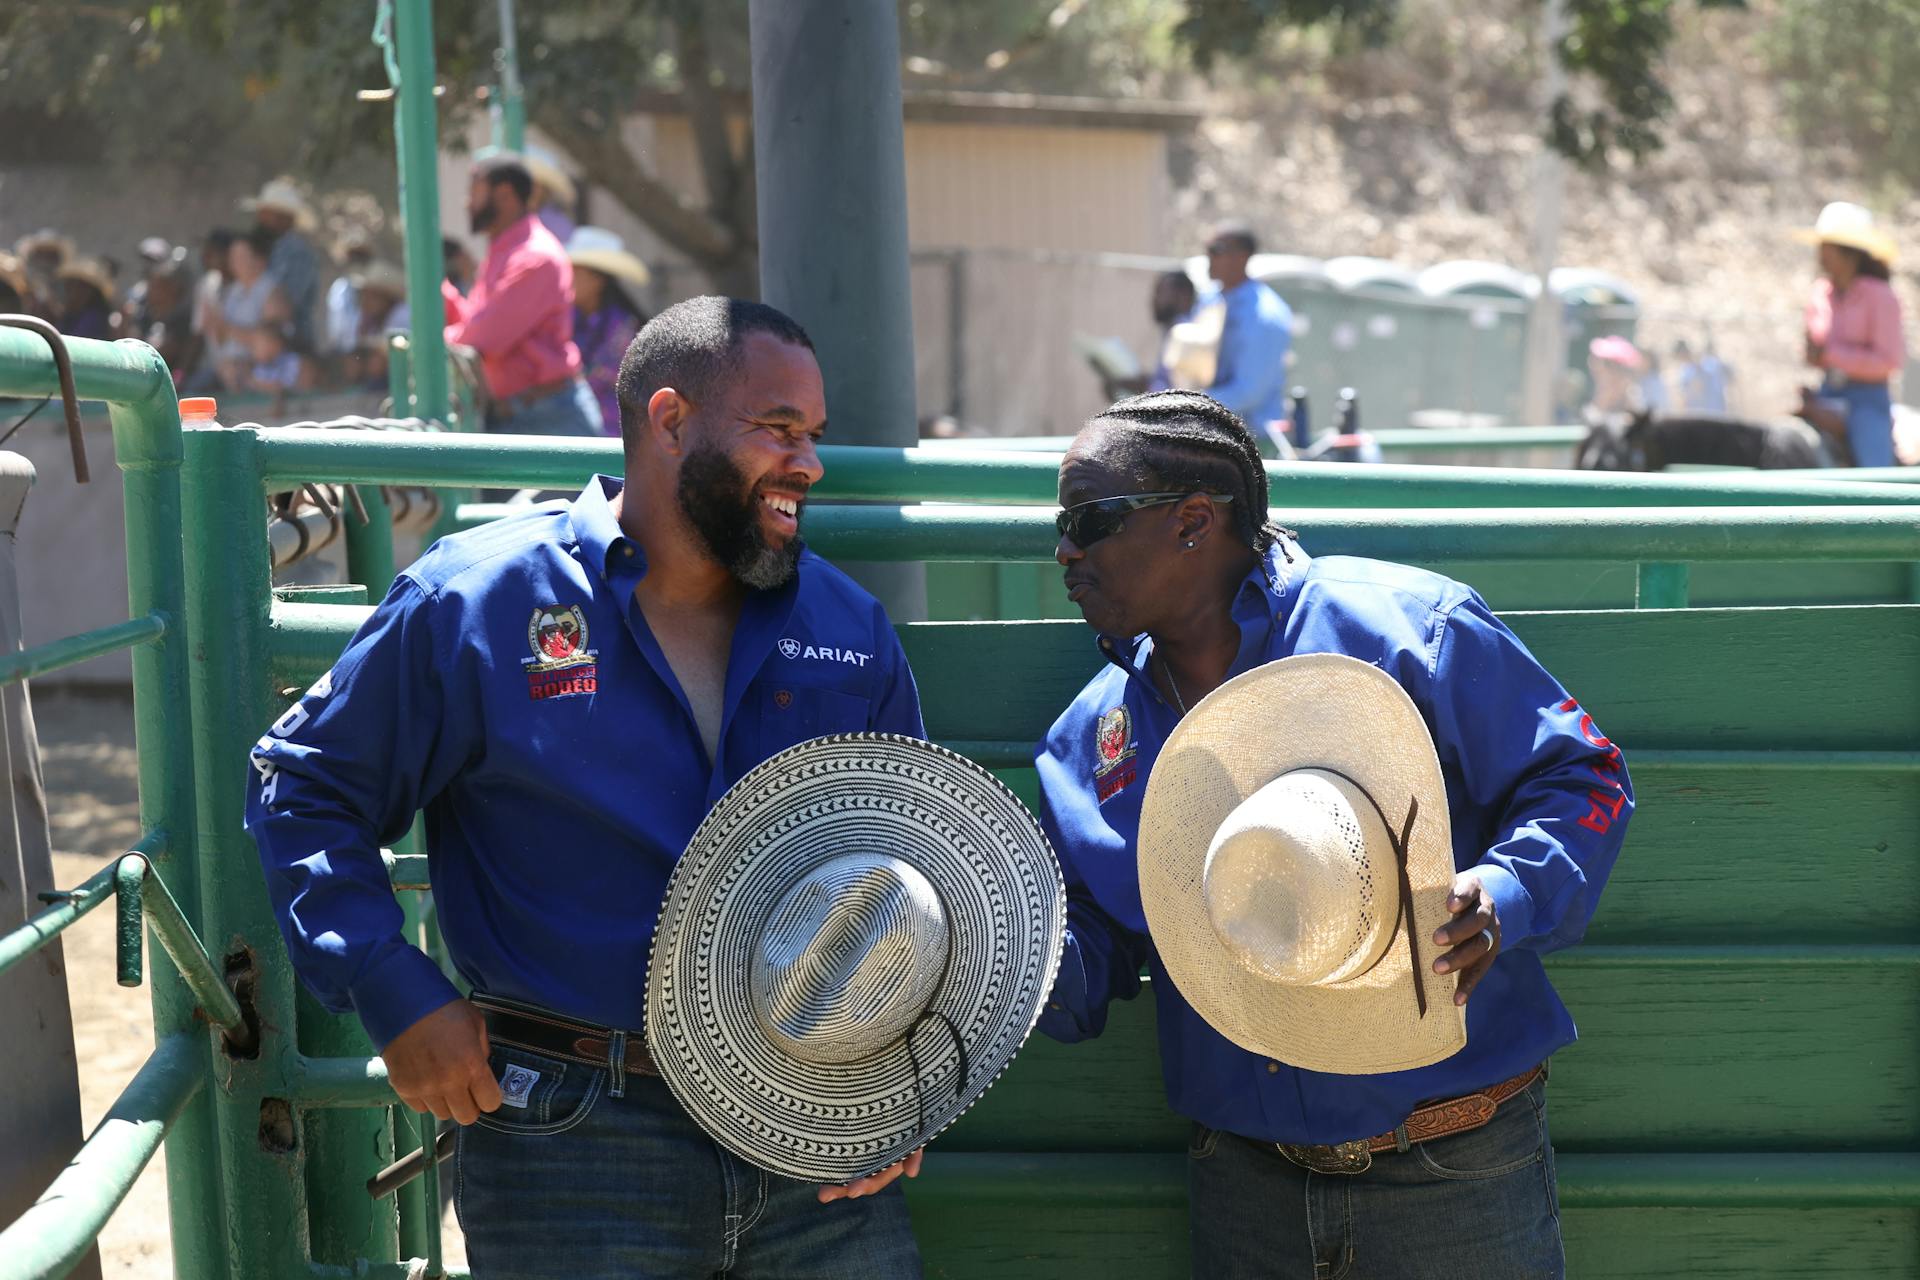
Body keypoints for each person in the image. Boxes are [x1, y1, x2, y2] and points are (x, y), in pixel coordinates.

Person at [245, 295, 927, 1278]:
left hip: (813, 1143)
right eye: (779, 430)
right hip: (573, 1131)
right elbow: (304, 784)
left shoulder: (847, 623)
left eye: (813, 436)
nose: (809, 463)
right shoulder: (475, 602)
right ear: (670, 418)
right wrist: (392, 987)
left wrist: (900, 1068)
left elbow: (911, 861)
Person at [1035, 389, 1631, 1278]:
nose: (1066, 549)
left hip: (1455, 1166)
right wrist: (986, 959)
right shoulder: (1091, 740)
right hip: (1244, 1186)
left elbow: (1584, 776)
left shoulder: (1405, 629)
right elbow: (1096, 944)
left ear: (1195, 521)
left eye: (1091, 517)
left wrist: (1506, 893)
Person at [445, 153, 601, 436]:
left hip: (549, 419)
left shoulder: (533, 258)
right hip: (529, 413)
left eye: (475, 191)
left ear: (505, 195)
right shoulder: (506, 252)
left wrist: (434, 342)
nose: (467, 202)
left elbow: (484, 338)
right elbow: (476, 324)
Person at [1796, 202, 1906, 468]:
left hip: (1867, 399)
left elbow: (1889, 360)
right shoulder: (1821, 291)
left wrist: (1831, 355)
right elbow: (1813, 351)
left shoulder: (1880, 296)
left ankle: (1884, 505)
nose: (1821, 254)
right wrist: (1813, 354)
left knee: (1875, 464)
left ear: (1850, 254)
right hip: (1827, 390)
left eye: (1828, 246)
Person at [1199, 222, 1293, 451]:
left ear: (1242, 256)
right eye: (1207, 249)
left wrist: (1190, 403)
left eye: (1216, 250)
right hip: (1211, 433)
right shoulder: (1210, 300)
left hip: (1253, 445)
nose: (1209, 257)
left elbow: (1249, 392)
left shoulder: (1265, 315)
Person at [566, 226, 651, 437]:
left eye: (575, 272)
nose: (567, 278)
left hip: (613, 433)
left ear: (598, 281)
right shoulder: (571, 316)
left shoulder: (622, 328)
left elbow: (595, 377)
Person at [244, 179, 323, 352]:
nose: (262, 218)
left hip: (290, 344)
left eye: (270, 214)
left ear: (288, 219)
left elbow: (288, 303)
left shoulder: (298, 253)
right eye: (262, 213)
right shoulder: (264, 247)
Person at [208, 230, 291, 392]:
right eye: (233, 258)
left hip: (264, 373)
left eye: (242, 257)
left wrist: (228, 329)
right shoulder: (231, 292)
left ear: (259, 260)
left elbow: (268, 346)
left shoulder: (272, 292)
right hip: (228, 371)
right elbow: (219, 337)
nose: (235, 263)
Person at [55, 257, 118, 341]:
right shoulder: (68, 314)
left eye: (81, 287)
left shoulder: (94, 318)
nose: (74, 290)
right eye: (71, 285)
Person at [1673, 339, 1732, 414]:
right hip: (1698, 414)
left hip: (1715, 410)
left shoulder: (1708, 362)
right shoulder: (1684, 371)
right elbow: (1685, 395)